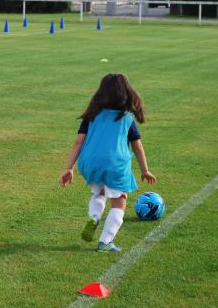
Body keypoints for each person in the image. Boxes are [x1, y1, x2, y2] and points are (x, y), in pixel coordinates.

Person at [60, 73, 156, 252]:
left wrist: (69, 168)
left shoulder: (92, 115)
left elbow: (78, 142)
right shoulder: (126, 117)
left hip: (90, 162)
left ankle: (94, 216)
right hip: (115, 164)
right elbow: (137, 146)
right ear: (126, 92)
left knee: (100, 192)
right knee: (119, 202)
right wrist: (145, 170)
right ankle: (105, 242)